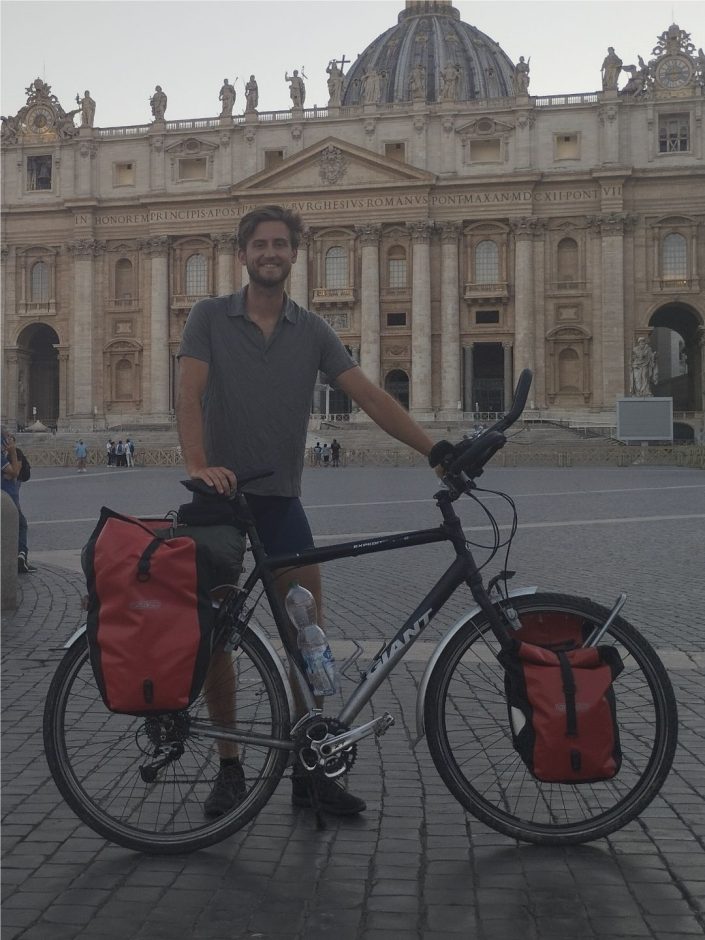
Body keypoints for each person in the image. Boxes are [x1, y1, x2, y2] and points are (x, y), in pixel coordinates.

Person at [176, 204, 435, 818]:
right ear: (243, 253)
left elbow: (369, 396)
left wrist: (436, 451)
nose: (270, 253)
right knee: (216, 637)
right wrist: (198, 464)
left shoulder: (313, 330)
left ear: (295, 254)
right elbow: (188, 393)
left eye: (280, 244)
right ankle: (230, 767)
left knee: (308, 636)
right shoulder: (209, 317)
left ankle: (308, 771)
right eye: (260, 244)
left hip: (280, 500)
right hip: (218, 500)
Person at [2, 430, 36, 574]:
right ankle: (21, 555)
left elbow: (12, 475)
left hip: (11, 497)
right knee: (21, 525)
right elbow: (15, 472)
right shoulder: (9, 455)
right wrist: (13, 453)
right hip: (8, 498)